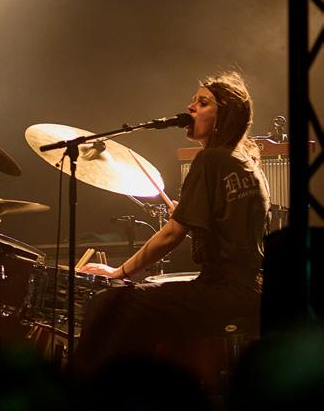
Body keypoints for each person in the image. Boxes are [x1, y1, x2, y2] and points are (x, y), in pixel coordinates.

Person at [75, 71, 270, 379]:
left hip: (225, 290)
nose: (190, 107)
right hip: (254, 288)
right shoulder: (246, 160)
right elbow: (230, 228)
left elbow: (170, 236)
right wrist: (190, 214)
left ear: (225, 116)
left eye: (203, 103)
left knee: (110, 302)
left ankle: (93, 389)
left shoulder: (210, 160)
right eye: (193, 101)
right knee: (145, 303)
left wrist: (118, 272)